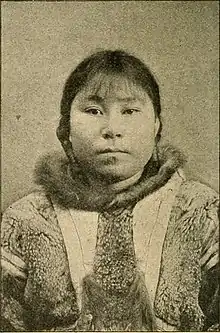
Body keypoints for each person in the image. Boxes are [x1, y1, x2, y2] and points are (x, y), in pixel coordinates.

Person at [1, 50, 219, 332]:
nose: (112, 129)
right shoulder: (27, 219)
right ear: (65, 129)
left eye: (129, 111)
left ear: (156, 126)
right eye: (93, 111)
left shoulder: (198, 210)